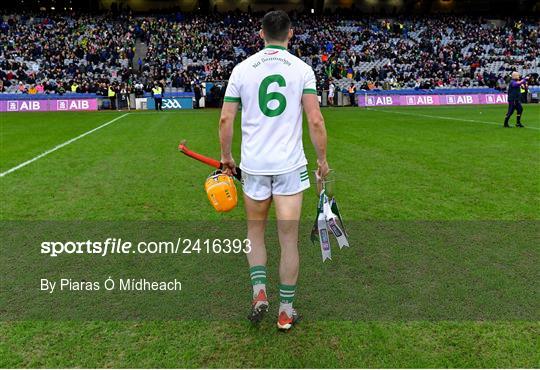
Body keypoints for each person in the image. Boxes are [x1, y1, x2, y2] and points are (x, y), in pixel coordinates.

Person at [219, 10, 329, 331]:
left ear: (261, 33)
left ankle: (259, 293)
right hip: (289, 167)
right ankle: (285, 311)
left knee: (255, 233)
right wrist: (322, 161)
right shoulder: (302, 70)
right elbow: (315, 119)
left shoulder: (241, 69)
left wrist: (227, 157)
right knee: (288, 240)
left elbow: (226, 119)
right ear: (290, 34)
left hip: (253, 166)